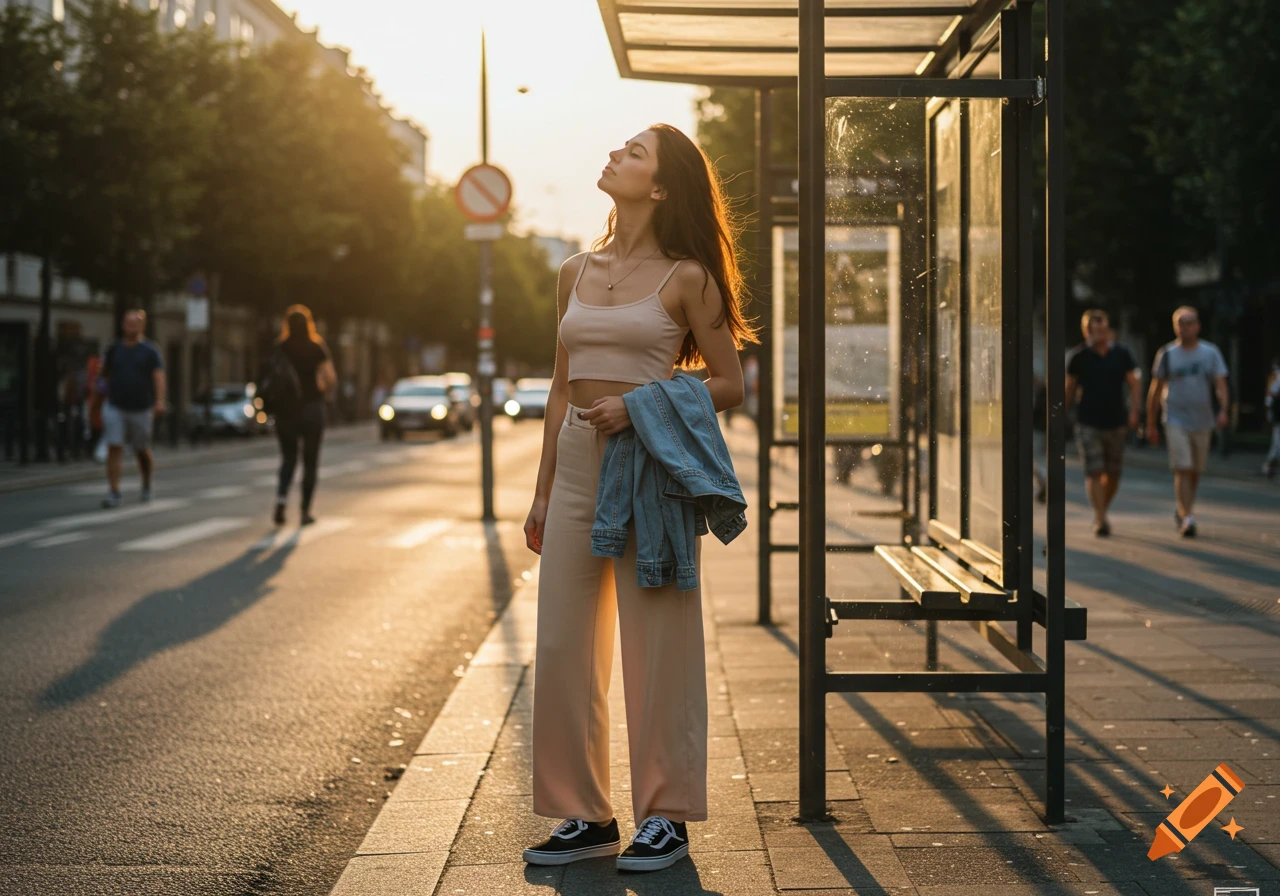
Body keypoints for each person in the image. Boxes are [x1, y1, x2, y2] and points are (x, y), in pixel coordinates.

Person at [521, 124, 754, 873]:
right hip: (581, 469)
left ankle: (667, 815)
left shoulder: (687, 277)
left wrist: (643, 405)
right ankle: (584, 814)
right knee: (562, 644)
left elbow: (729, 383)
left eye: (635, 153)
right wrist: (542, 490)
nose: (615, 154)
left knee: (659, 646)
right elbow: (561, 385)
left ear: (659, 187)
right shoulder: (573, 271)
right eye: (619, 147)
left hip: (648, 466)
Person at [1146, 305, 1229, 537]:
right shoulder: (1167, 354)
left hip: (1203, 419)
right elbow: (1155, 389)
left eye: (1189, 322)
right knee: (1183, 467)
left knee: (1195, 470)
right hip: (1175, 417)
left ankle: (1184, 508)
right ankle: (1188, 516)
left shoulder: (1210, 353)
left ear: (1198, 326)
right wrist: (1150, 423)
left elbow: (1220, 384)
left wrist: (1223, 409)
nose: (1185, 327)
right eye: (1180, 323)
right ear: (1175, 327)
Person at [1065, 310, 1141, 536]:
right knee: (1094, 470)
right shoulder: (1078, 356)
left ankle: (1102, 509)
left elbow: (1134, 383)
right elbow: (1068, 389)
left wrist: (1135, 410)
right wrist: (1059, 414)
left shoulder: (1122, 354)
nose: (1097, 333)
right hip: (1087, 421)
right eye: (1092, 329)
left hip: (1116, 421)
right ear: (1085, 331)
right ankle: (1100, 518)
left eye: (1101, 329)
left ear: (1108, 330)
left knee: (1114, 473)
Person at [271, 305, 336, 526]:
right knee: (310, 462)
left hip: (285, 412)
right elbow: (330, 379)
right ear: (309, 324)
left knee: (288, 459)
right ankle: (305, 511)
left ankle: (281, 501)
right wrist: (319, 390)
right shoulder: (316, 347)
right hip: (312, 410)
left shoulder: (280, 347)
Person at [100, 309, 165, 508]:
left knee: (141, 449)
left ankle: (146, 484)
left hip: (142, 407)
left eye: (135, 324)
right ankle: (114, 492)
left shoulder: (150, 351)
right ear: (123, 325)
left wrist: (159, 401)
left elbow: (158, 377)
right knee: (114, 446)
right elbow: (105, 375)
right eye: (128, 323)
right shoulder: (114, 349)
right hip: (116, 405)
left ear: (141, 326)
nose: (131, 327)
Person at [1263, 357, 1280, 479]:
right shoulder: (1275, 376)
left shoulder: (1275, 376)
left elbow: (1269, 395)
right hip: (1277, 411)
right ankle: (1269, 464)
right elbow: (1271, 394)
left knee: (1276, 439)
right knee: (1277, 439)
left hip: (1275, 410)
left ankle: (1270, 464)